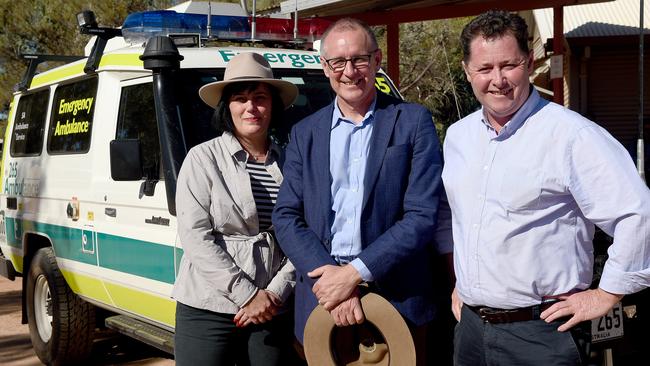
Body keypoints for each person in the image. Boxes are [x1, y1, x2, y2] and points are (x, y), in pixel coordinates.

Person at [443, 10, 650, 365]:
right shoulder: (458, 137)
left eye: (509, 65)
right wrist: (464, 284)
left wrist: (607, 293)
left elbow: (638, 213)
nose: (498, 80)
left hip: (542, 334)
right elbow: (460, 218)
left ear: (529, 61)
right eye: (484, 69)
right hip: (472, 330)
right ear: (466, 72)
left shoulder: (572, 136)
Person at [272, 18, 452, 365]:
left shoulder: (412, 121)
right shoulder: (305, 132)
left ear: (377, 60)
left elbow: (421, 215)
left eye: (359, 59)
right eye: (338, 62)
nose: (349, 71)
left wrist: (353, 274)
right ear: (325, 67)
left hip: (397, 300)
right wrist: (334, 283)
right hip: (322, 302)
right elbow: (286, 216)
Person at [172, 52, 299, 366]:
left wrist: (275, 293)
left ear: (273, 105)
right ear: (227, 107)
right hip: (209, 307)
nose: (251, 107)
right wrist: (248, 295)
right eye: (240, 98)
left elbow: (302, 232)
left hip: (273, 305)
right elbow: (196, 238)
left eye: (259, 97)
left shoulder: (289, 162)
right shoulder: (203, 159)